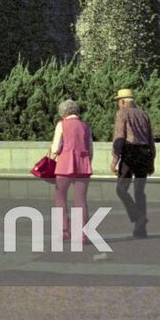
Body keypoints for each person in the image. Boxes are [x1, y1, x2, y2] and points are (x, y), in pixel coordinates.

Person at [111, 88, 155, 238]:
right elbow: (150, 140)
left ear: (122, 102)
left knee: (121, 189)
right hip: (144, 153)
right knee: (139, 192)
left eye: (118, 102)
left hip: (129, 153)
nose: (118, 104)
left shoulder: (121, 114)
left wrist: (115, 160)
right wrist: (151, 161)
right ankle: (140, 230)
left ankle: (137, 216)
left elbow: (119, 138)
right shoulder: (144, 115)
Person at [49, 99, 94, 243]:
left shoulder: (61, 125)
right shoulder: (86, 127)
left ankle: (64, 231)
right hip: (83, 165)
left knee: (60, 196)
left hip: (64, 165)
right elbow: (90, 150)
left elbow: (56, 148)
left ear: (63, 112)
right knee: (81, 200)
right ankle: (82, 235)